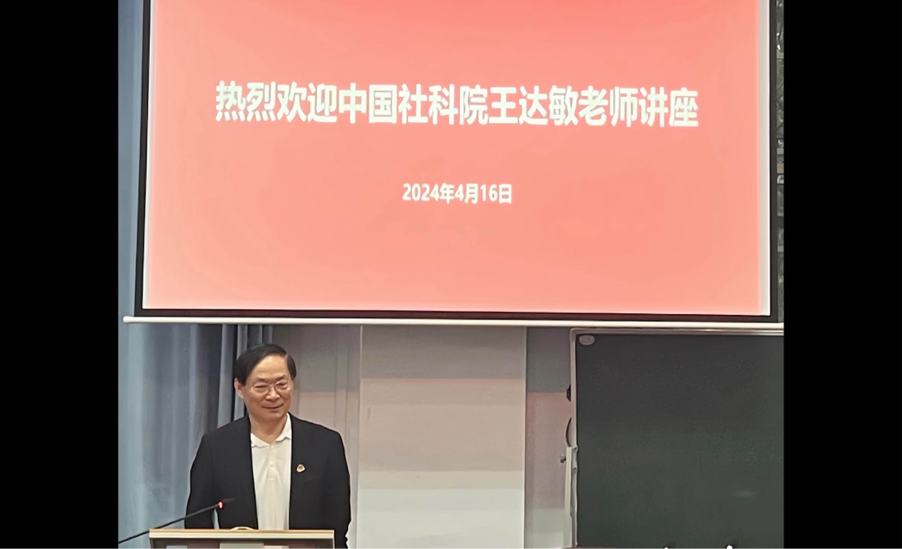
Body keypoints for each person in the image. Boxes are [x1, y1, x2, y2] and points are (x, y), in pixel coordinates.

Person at [185, 344, 351, 549]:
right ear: (239, 388)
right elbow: (197, 523)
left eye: (282, 384)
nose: (273, 395)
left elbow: (337, 527)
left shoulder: (325, 445)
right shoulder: (217, 447)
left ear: (292, 383)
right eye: (261, 387)